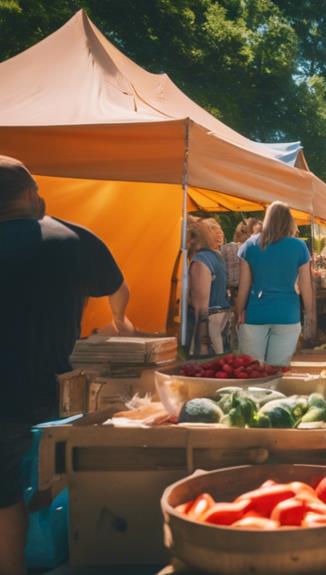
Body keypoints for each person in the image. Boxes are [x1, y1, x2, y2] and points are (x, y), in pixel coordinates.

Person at [0, 156, 134, 574]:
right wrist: (118, 321)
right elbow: (118, 289)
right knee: (36, 484)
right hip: (43, 390)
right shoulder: (71, 237)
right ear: (29, 194)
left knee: (6, 495)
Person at [236, 201, 315, 366]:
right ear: (289, 221)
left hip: (256, 312)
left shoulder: (249, 245)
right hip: (287, 313)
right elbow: (305, 285)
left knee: (251, 368)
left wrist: (238, 312)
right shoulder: (299, 246)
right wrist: (310, 313)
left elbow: (243, 287)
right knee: (278, 368)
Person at [185, 216, 231, 357]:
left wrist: (203, 344)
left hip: (210, 329)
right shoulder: (215, 257)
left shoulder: (201, 261)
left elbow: (202, 309)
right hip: (220, 325)